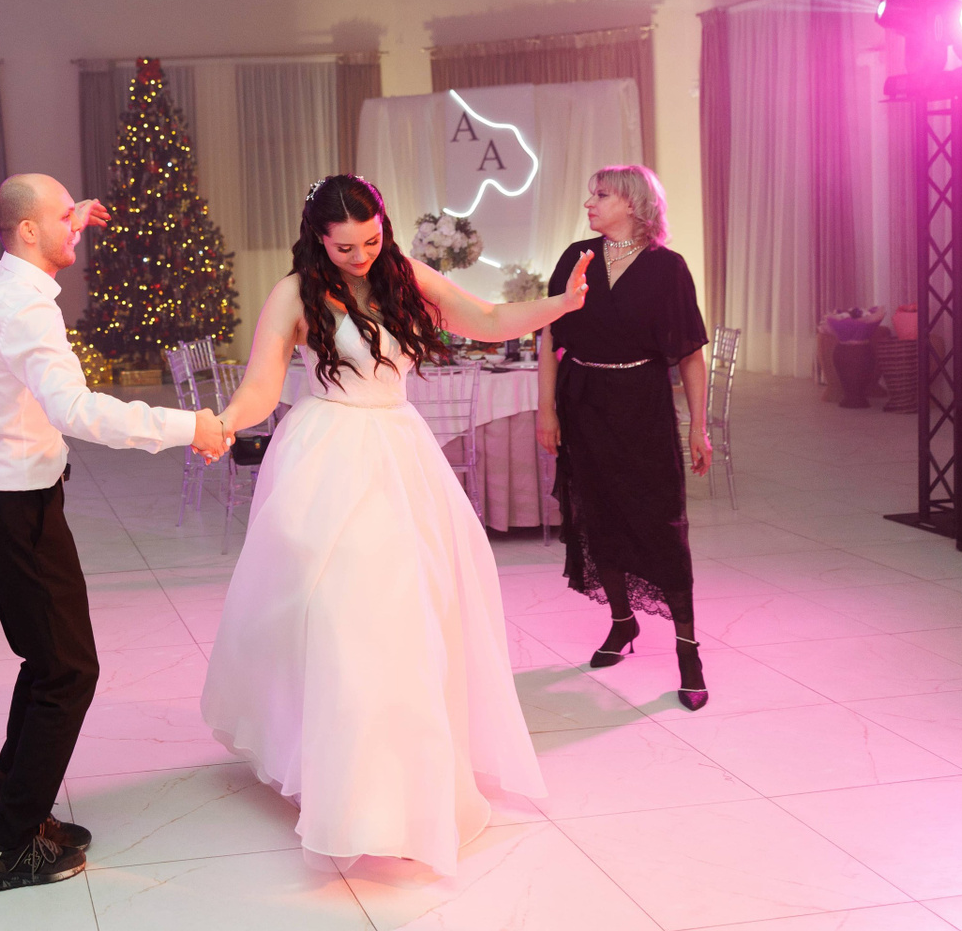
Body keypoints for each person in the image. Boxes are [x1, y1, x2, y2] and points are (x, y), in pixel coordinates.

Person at [202, 175, 591, 876]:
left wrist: (559, 304)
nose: (361, 256)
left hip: (400, 453)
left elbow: (487, 318)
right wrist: (227, 422)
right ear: (318, 240)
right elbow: (262, 385)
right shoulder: (294, 293)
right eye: (345, 247)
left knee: (407, 615)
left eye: (372, 241)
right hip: (327, 454)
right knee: (337, 614)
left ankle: (404, 783)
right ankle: (342, 776)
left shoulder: (405, 273)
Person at [0, 173, 230, 892]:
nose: (73, 226)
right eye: (61, 218)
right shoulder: (26, 310)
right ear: (27, 231)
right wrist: (189, 426)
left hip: (0, 505)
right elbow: (77, 412)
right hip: (16, 513)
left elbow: (32, 224)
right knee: (68, 672)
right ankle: (6, 847)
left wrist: (67, 216)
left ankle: (10, 814)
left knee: (48, 664)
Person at [537, 165, 713, 710]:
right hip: (584, 402)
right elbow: (549, 336)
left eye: (602, 194)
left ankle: (688, 651)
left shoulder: (667, 267)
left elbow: (690, 353)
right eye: (591, 193)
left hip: (642, 404)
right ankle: (622, 621)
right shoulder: (577, 257)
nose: (589, 202)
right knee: (598, 515)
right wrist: (546, 410)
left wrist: (698, 426)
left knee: (662, 523)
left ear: (634, 204)